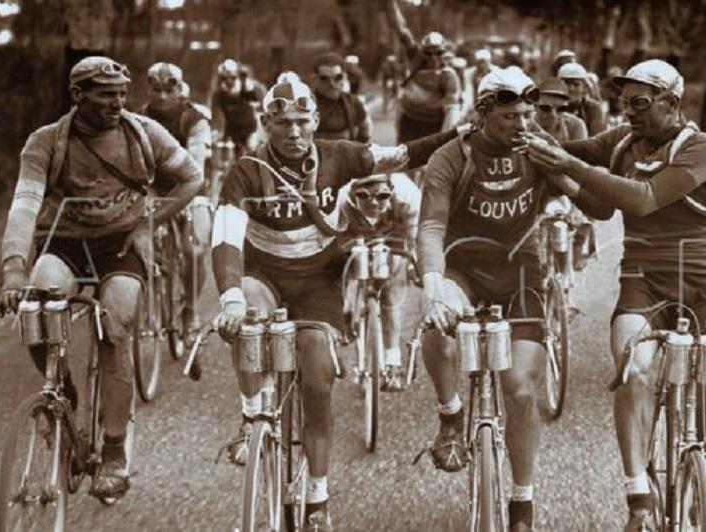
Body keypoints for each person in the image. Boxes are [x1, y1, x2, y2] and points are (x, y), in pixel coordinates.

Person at [211, 78, 465, 531]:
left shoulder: (341, 155)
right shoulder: (246, 171)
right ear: (267, 122)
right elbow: (226, 236)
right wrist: (228, 295)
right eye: (283, 122)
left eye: (301, 121)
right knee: (247, 312)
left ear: (314, 121)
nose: (293, 131)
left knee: (318, 381)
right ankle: (252, 417)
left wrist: (461, 132)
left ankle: (318, 498)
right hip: (263, 275)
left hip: (318, 281)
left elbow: (406, 155)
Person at [523, 59, 706, 531]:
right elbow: (596, 201)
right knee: (632, 370)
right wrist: (530, 147)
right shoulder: (620, 142)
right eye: (624, 104)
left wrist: (570, 166)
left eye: (640, 103)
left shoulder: (705, 147)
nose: (630, 113)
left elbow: (642, 198)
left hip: (704, 281)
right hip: (642, 278)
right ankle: (637, 490)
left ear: (673, 104)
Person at [0, 56, 203, 500]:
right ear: (78, 95)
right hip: (64, 244)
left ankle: (113, 451)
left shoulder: (144, 133)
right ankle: (63, 392)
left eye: (121, 94)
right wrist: (14, 268)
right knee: (35, 309)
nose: (117, 103)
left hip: (120, 247)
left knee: (117, 322)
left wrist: (149, 220)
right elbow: (24, 205)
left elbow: (191, 177)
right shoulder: (46, 142)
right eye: (105, 94)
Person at [417, 67, 610, 532]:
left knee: (520, 388)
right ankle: (450, 415)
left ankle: (522, 500)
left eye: (527, 113)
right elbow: (430, 227)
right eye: (509, 116)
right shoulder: (452, 156)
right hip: (462, 266)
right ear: (484, 114)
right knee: (435, 327)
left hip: (520, 272)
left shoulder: (539, 150)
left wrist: (562, 167)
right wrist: (433, 287)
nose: (521, 123)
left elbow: (599, 209)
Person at [142, 62, 213, 343]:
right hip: (154, 189)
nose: (161, 96)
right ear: (148, 89)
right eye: (156, 89)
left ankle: (191, 311)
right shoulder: (137, 119)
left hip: (192, 190)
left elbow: (195, 164)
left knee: (194, 250)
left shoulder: (194, 119)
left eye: (168, 89)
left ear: (179, 89)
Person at [336, 172, 421, 391]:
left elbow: (415, 237)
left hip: (396, 232)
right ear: (353, 193)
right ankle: (351, 313)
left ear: (391, 192)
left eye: (382, 196)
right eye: (364, 195)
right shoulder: (342, 198)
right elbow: (334, 242)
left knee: (392, 290)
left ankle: (392, 363)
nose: (373, 202)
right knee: (350, 274)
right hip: (355, 231)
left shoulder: (407, 195)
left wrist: (414, 264)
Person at [534, 77, 594, 274]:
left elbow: (581, 169)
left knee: (575, 219)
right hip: (532, 189)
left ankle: (567, 276)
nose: (553, 115)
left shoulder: (576, 126)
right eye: (545, 108)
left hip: (564, 188)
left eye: (561, 109)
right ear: (534, 106)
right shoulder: (524, 125)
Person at [387, 0, 462, 142]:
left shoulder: (449, 76)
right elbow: (401, 29)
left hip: (433, 123)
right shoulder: (416, 58)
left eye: (438, 53)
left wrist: (443, 139)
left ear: (444, 53)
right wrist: (390, 4)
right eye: (429, 53)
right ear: (422, 52)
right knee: (405, 157)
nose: (433, 58)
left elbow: (451, 112)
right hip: (408, 118)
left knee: (430, 161)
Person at [311, 52, 372, 143]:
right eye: (324, 78)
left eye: (338, 77)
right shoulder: (307, 105)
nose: (332, 84)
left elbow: (365, 135)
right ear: (315, 79)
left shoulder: (354, 103)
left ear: (344, 77)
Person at [211, 58, 266, 153]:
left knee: (252, 150)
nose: (229, 82)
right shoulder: (219, 94)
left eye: (232, 78)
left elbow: (263, 99)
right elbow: (216, 114)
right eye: (225, 78)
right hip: (232, 130)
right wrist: (218, 132)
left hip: (250, 128)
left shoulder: (249, 88)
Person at [558, 62, 606, 136]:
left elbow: (597, 140)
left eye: (576, 84)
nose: (571, 89)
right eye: (566, 83)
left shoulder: (593, 108)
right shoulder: (551, 108)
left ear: (584, 88)